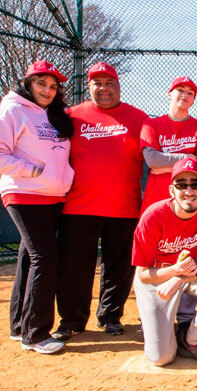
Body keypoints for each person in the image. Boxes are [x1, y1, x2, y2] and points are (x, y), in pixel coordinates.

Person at [52, 62, 149, 341]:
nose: (103, 88)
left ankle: (110, 316)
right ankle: (71, 320)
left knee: (118, 266)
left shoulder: (139, 118)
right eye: (97, 83)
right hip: (78, 206)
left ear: (118, 86)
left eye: (109, 83)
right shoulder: (72, 115)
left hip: (124, 206)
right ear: (89, 86)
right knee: (74, 266)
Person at [0, 60, 74, 354]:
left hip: (52, 196)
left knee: (29, 258)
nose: (47, 90)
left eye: (53, 86)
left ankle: (20, 326)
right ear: (27, 84)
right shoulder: (12, 109)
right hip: (24, 192)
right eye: (41, 84)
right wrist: (32, 171)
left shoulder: (52, 115)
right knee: (44, 257)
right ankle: (36, 333)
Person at [132, 158, 197, 367]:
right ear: (172, 190)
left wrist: (178, 277)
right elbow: (143, 274)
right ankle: (158, 326)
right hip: (155, 278)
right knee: (161, 358)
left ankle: (191, 340)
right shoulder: (153, 216)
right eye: (181, 184)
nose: (189, 190)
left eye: (195, 184)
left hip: (186, 272)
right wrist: (174, 272)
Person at [139, 76, 197, 331]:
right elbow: (151, 160)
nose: (185, 94)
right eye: (180, 90)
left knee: (186, 254)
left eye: (191, 92)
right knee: (155, 261)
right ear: (169, 93)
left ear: (194, 99)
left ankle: (183, 316)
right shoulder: (152, 124)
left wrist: (167, 163)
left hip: (189, 206)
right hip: (157, 204)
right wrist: (187, 157)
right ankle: (154, 310)